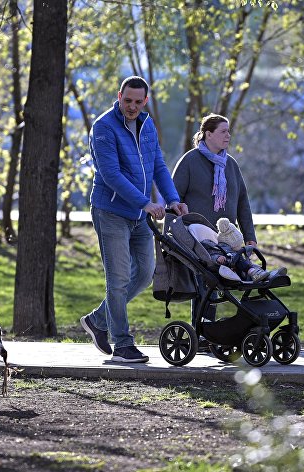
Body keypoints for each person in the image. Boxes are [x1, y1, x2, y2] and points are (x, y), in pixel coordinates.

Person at [81, 76, 188, 363]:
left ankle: (97, 320)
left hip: (139, 214)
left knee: (144, 273)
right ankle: (122, 345)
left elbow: (158, 165)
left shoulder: (147, 124)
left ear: (145, 101)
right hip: (111, 212)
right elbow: (111, 175)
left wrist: (173, 199)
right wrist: (146, 203)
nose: (131, 106)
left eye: (137, 102)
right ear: (119, 96)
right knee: (116, 280)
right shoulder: (103, 128)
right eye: (127, 100)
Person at [172, 113, 260, 348]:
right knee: (206, 283)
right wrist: (171, 235)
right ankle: (202, 332)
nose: (228, 135)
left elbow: (243, 203)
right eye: (223, 131)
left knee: (220, 283)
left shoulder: (230, 165)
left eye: (229, 131)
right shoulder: (190, 161)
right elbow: (173, 198)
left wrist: (250, 237)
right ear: (208, 134)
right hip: (196, 238)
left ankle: (212, 332)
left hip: (224, 238)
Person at [200, 218, 286, 282]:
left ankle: (269, 274)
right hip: (231, 269)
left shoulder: (232, 250)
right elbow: (210, 255)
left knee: (252, 265)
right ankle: (257, 274)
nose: (239, 246)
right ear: (230, 243)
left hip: (242, 268)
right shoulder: (218, 249)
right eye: (237, 244)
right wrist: (217, 258)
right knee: (240, 260)